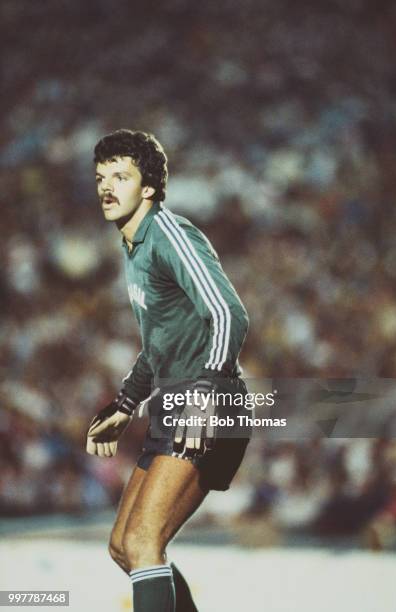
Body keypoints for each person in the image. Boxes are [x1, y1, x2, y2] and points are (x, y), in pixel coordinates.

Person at [86, 129, 250, 612]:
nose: (106, 186)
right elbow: (158, 345)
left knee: (142, 543)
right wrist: (124, 403)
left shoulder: (169, 233)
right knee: (124, 548)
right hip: (175, 403)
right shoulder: (134, 247)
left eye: (121, 175)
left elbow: (228, 314)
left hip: (209, 401)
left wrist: (203, 395)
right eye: (100, 177)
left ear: (150, 188)